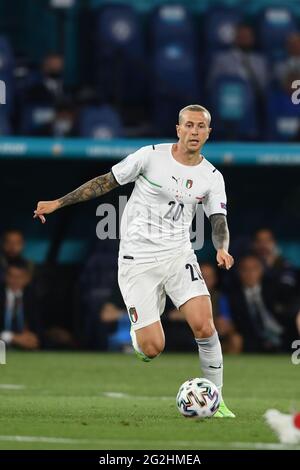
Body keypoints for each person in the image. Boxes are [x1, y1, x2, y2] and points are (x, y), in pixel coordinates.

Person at [33, 104, 235, 418]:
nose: (194, 132)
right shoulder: (149, 157)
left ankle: (217, 399)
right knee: (153, 348)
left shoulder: (211, 177)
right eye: (189, 125)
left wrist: (221, 248)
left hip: (179, 255)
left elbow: (218, 220)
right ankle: (138, 337)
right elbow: (105, 181)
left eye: (201, 127)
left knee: (205, 325)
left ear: (209, 132)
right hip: (137, 259)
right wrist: (58, 203)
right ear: (178, 128)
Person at [0, 259, 40, 350]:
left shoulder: (33, 297)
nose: (15, 281)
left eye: (19, 277)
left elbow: (39, 327)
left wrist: (31, 337)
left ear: (27, 279)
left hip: (26, 346)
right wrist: (12, 338)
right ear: (5, 276)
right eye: (11, 276)